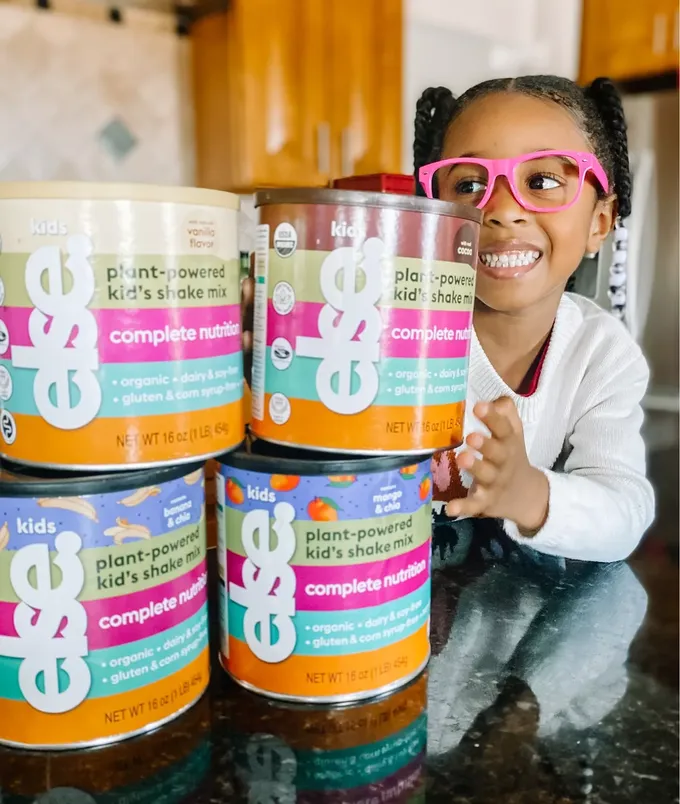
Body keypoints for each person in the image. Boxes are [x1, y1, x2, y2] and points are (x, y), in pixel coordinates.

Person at [241, 74, 654, 565]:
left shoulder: (601, 355)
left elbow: (626, 511)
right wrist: (284, 380)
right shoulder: (388, 322)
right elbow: (324, 477)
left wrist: (530, 496)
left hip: (520, 614)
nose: (502, 211)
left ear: (599, 223)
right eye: (470, 184)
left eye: (542, 181)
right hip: (375, 587)